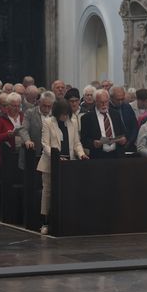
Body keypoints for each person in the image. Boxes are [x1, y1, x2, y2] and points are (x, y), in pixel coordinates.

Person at [37, 98, 87, 234]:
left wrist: (81, 154)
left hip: (68, 164)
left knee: (68, 191)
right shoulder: (48, 122)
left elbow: (76, 143)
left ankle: (67, 220)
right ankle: (45, 221)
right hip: (50, 163)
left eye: (67, 114)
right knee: (47, 192)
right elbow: (45, 144)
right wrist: (55, 157)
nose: (65, 116)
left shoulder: (73, 122)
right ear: (57, 112)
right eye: (62, 114)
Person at [80, 89, 127, 158]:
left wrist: (123, 139)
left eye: (106, 102)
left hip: (116, 155)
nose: (104, 104)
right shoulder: (87, 118)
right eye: (101, 102)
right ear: (95, 102)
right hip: (98, 156)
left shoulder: (115, 114)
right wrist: (93, 143)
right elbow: (84, 140)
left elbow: (123, 133)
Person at [17, 91, 53, 171]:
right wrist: (27, 140)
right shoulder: (30, 113)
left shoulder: (53, 114)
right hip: (34, 151)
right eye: (44, 106)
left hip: (48, 153)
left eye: (49, 106)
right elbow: (23, 129)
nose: (47, 109)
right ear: (39, 103)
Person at [0, 92, 24, 164]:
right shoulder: (0, 119)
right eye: (14, 106)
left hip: (22, 154)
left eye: (18, 106)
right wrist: (7, 135)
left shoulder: (23, 117)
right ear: (8, 106)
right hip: (7, 156)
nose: (17, 108)